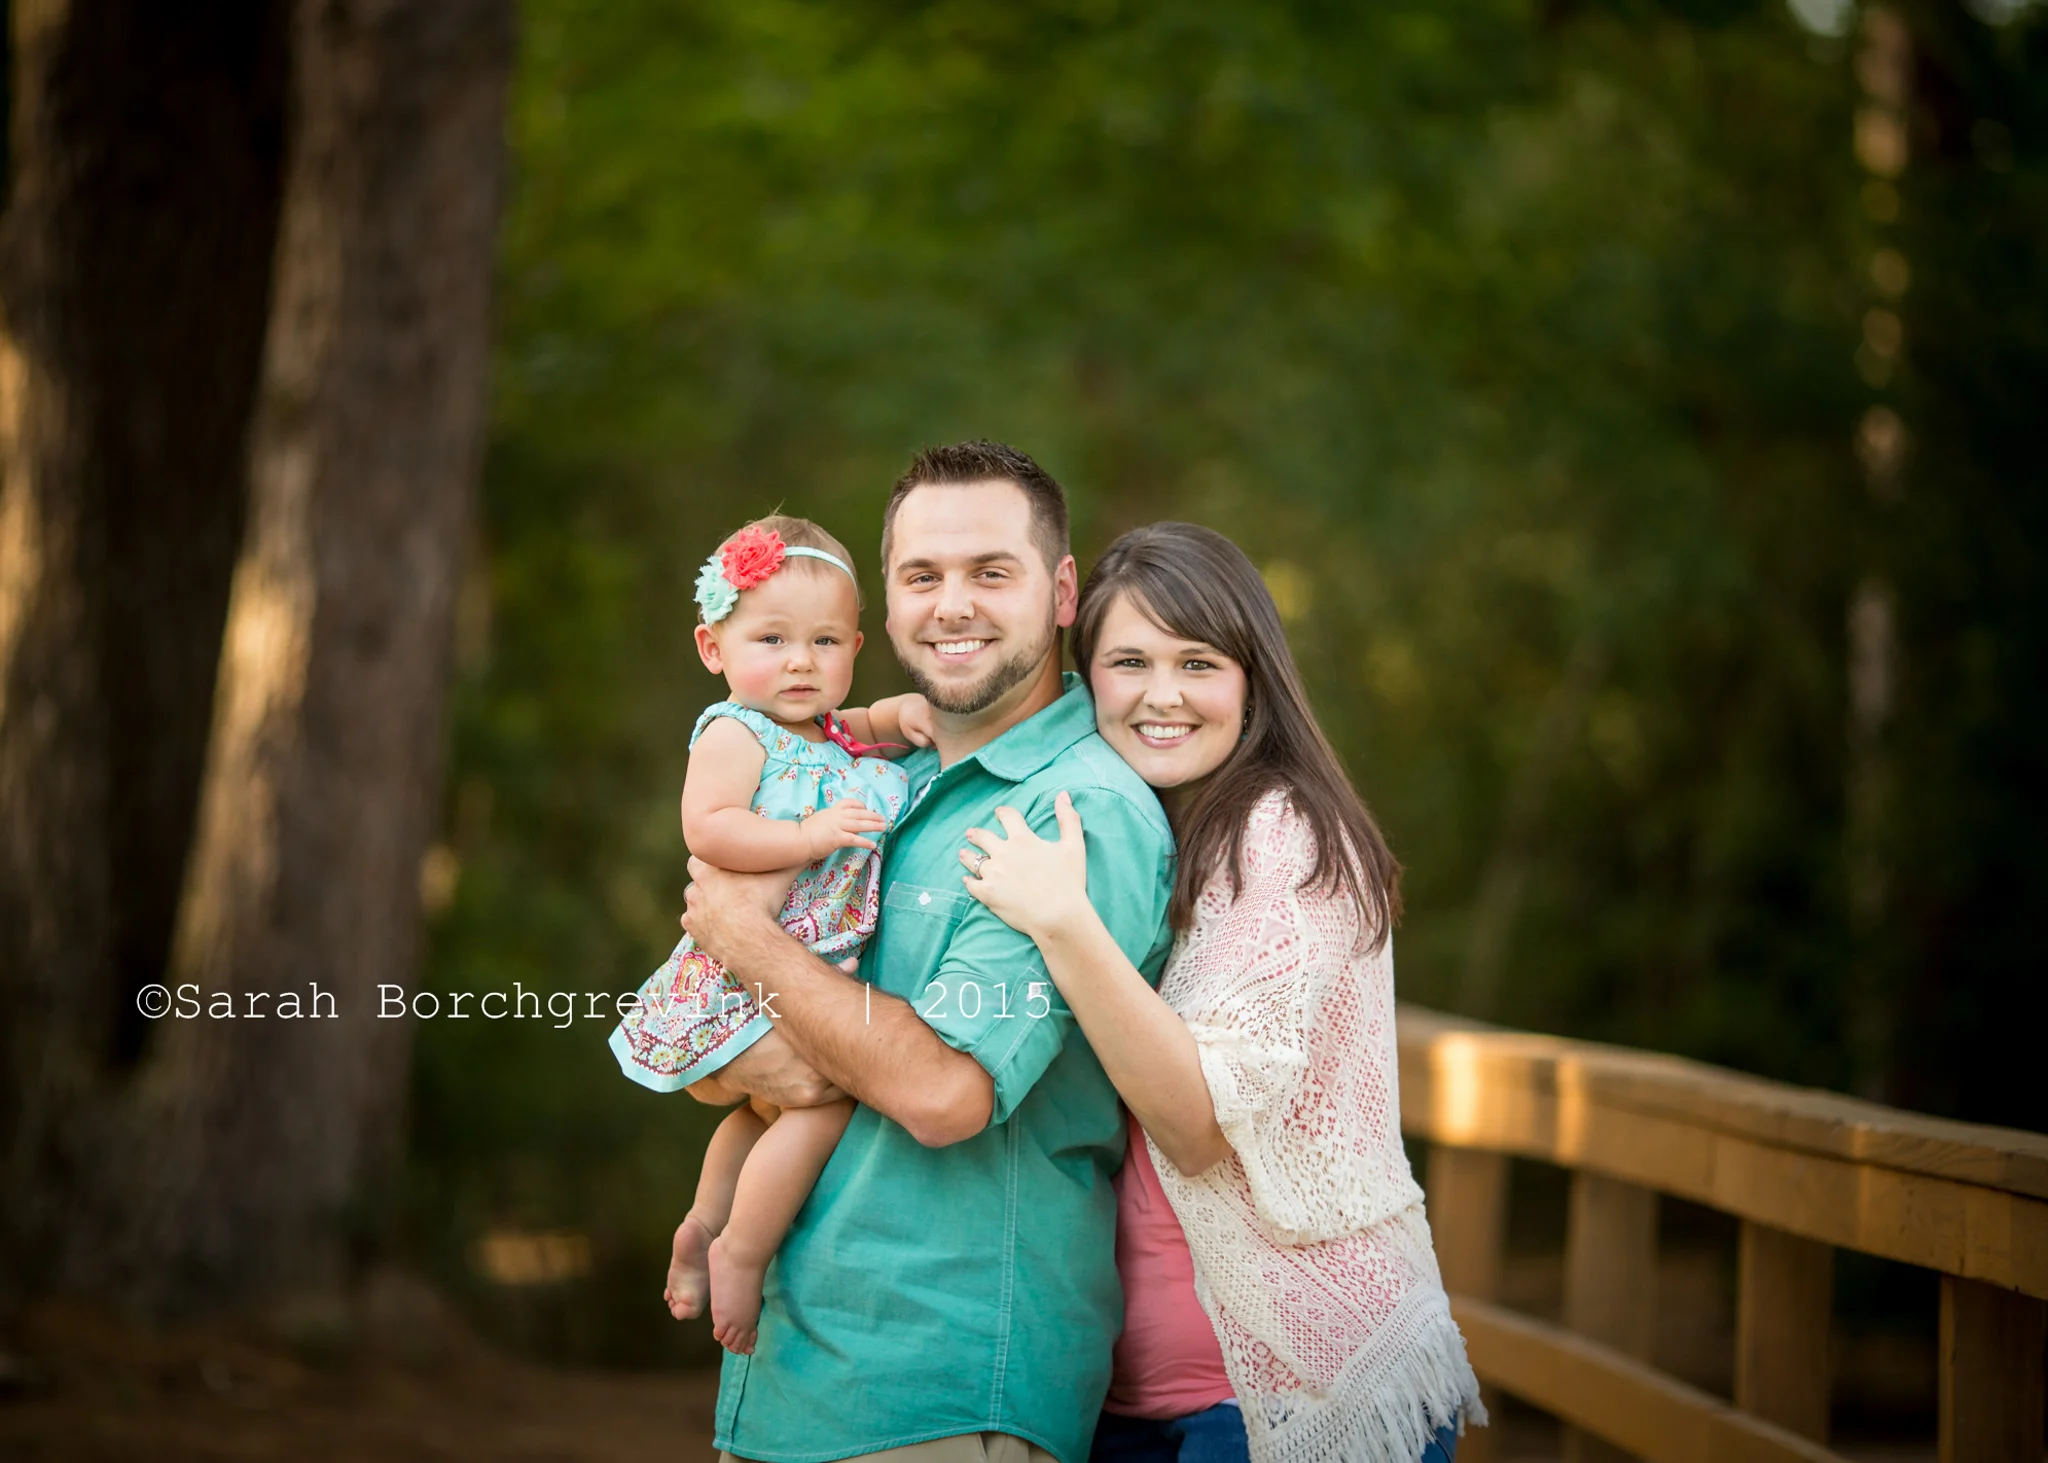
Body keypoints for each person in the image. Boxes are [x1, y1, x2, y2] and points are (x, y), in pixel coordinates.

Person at [678, 443, 1177, 1463]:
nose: (952, 604)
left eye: (990, 571)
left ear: (1062, 592)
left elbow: (944, 1091)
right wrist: (744, 1045)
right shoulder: (877, 782)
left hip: (941, 1387)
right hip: (786, 1376)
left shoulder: (1074, 812)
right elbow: (727, 1065)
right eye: (921, 575)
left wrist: (745, 940)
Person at [957, 522, 1485, 1463]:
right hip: (1129, 1395)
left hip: (1294, 1390)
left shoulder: (1285, 834)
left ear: (1253, 679)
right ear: (1086, 679)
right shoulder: (1141, 824)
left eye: (1197, 662)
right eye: (1130, 661)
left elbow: (1197, 1126)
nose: (1162, 694)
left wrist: (1063, 920)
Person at [608, 514, 928, 1355]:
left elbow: (859, 723)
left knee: (765, 1109)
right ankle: (743, 1254)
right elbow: (708, 827)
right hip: (742, 972)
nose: (800, 662)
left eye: (825, 641)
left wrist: (902, 710)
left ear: (855, 647)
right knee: (827, 1101)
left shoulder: (825, 731)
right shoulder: (734, 731)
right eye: (772, 639)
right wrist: (807, 837)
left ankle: (704, 1222)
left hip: (798, 968)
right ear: (713, 647)